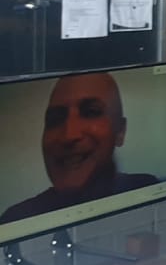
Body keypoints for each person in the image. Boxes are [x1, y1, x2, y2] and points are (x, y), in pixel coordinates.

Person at [0, 73, 157, 224]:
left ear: (120, 132)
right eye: (55, 119)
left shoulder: (145, 187)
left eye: (91, 112)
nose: (69, 135)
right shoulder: (16, 219)